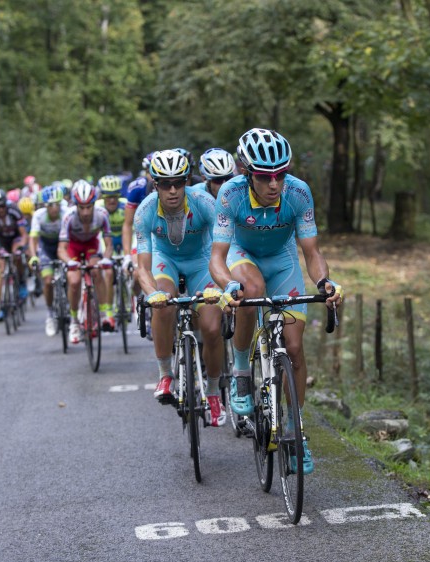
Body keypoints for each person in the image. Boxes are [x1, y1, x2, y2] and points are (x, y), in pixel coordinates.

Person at [209, 128, 344, 474]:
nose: (274, 184)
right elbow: (217, 259)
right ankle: (241, 369)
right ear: (245, 172)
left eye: (280, 174)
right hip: (243, 254)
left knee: (294, 347)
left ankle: (296, 433)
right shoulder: (230, 194)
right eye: (265, 176)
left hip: (283, 260)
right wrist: (227, 286)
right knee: (250, 290)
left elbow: (311, 252)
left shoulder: (298, 192)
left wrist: (324, 282)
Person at [133, 149, 226, 426]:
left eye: (178, 183)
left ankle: (212, 392)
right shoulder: (145, 211)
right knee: (163, 304)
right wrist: (152, 294)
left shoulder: (204, 202)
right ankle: (165, 375)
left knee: (211, 328)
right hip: (166, 260)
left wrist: (224, 284)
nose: (172, 190)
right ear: (155, 185)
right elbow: (143, 267)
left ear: (187, 181)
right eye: (165, 184)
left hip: (201, 261)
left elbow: (223, 249)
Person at [57, 179, 114, 343]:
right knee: (74, 281)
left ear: (94, 204)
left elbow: (108, 245)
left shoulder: (102, 214)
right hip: (73, 247)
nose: (86, 212)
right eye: (82, 207)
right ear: (76, 206)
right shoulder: (68, 216)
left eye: (89, 206)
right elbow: (61, 249)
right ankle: (74, 322)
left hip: (91, 245)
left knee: (96, 270)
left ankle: (105, 314)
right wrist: (69, 262)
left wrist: (107, 259)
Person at [0, 188, 28, 321]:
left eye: (3, 206)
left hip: (15, 238)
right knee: (3, 271)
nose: (1, 210)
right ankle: (2, 304)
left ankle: (21, 282)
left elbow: (24, 235)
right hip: (2, 240)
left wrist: (21, 247)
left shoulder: (14, 211)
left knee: (16, 256)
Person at [28, 185, 66, 337]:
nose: (54, 208)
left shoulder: (66, 213)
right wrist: (33, 256)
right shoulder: (39, 215)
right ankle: (50, 314)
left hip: (63, 245)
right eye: (51, 205)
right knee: (48, 281)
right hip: (46, 248)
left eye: (57, 204)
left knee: (71, 278)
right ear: (45, 205)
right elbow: (33, 239)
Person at [98, 175, 128, 256]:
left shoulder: (126, 206)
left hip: (124, 237)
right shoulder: (97, 208)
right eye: (108, 196)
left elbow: (135, 231)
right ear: (102, 197)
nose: (112, 200)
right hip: (104, 239)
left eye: (115, 196)